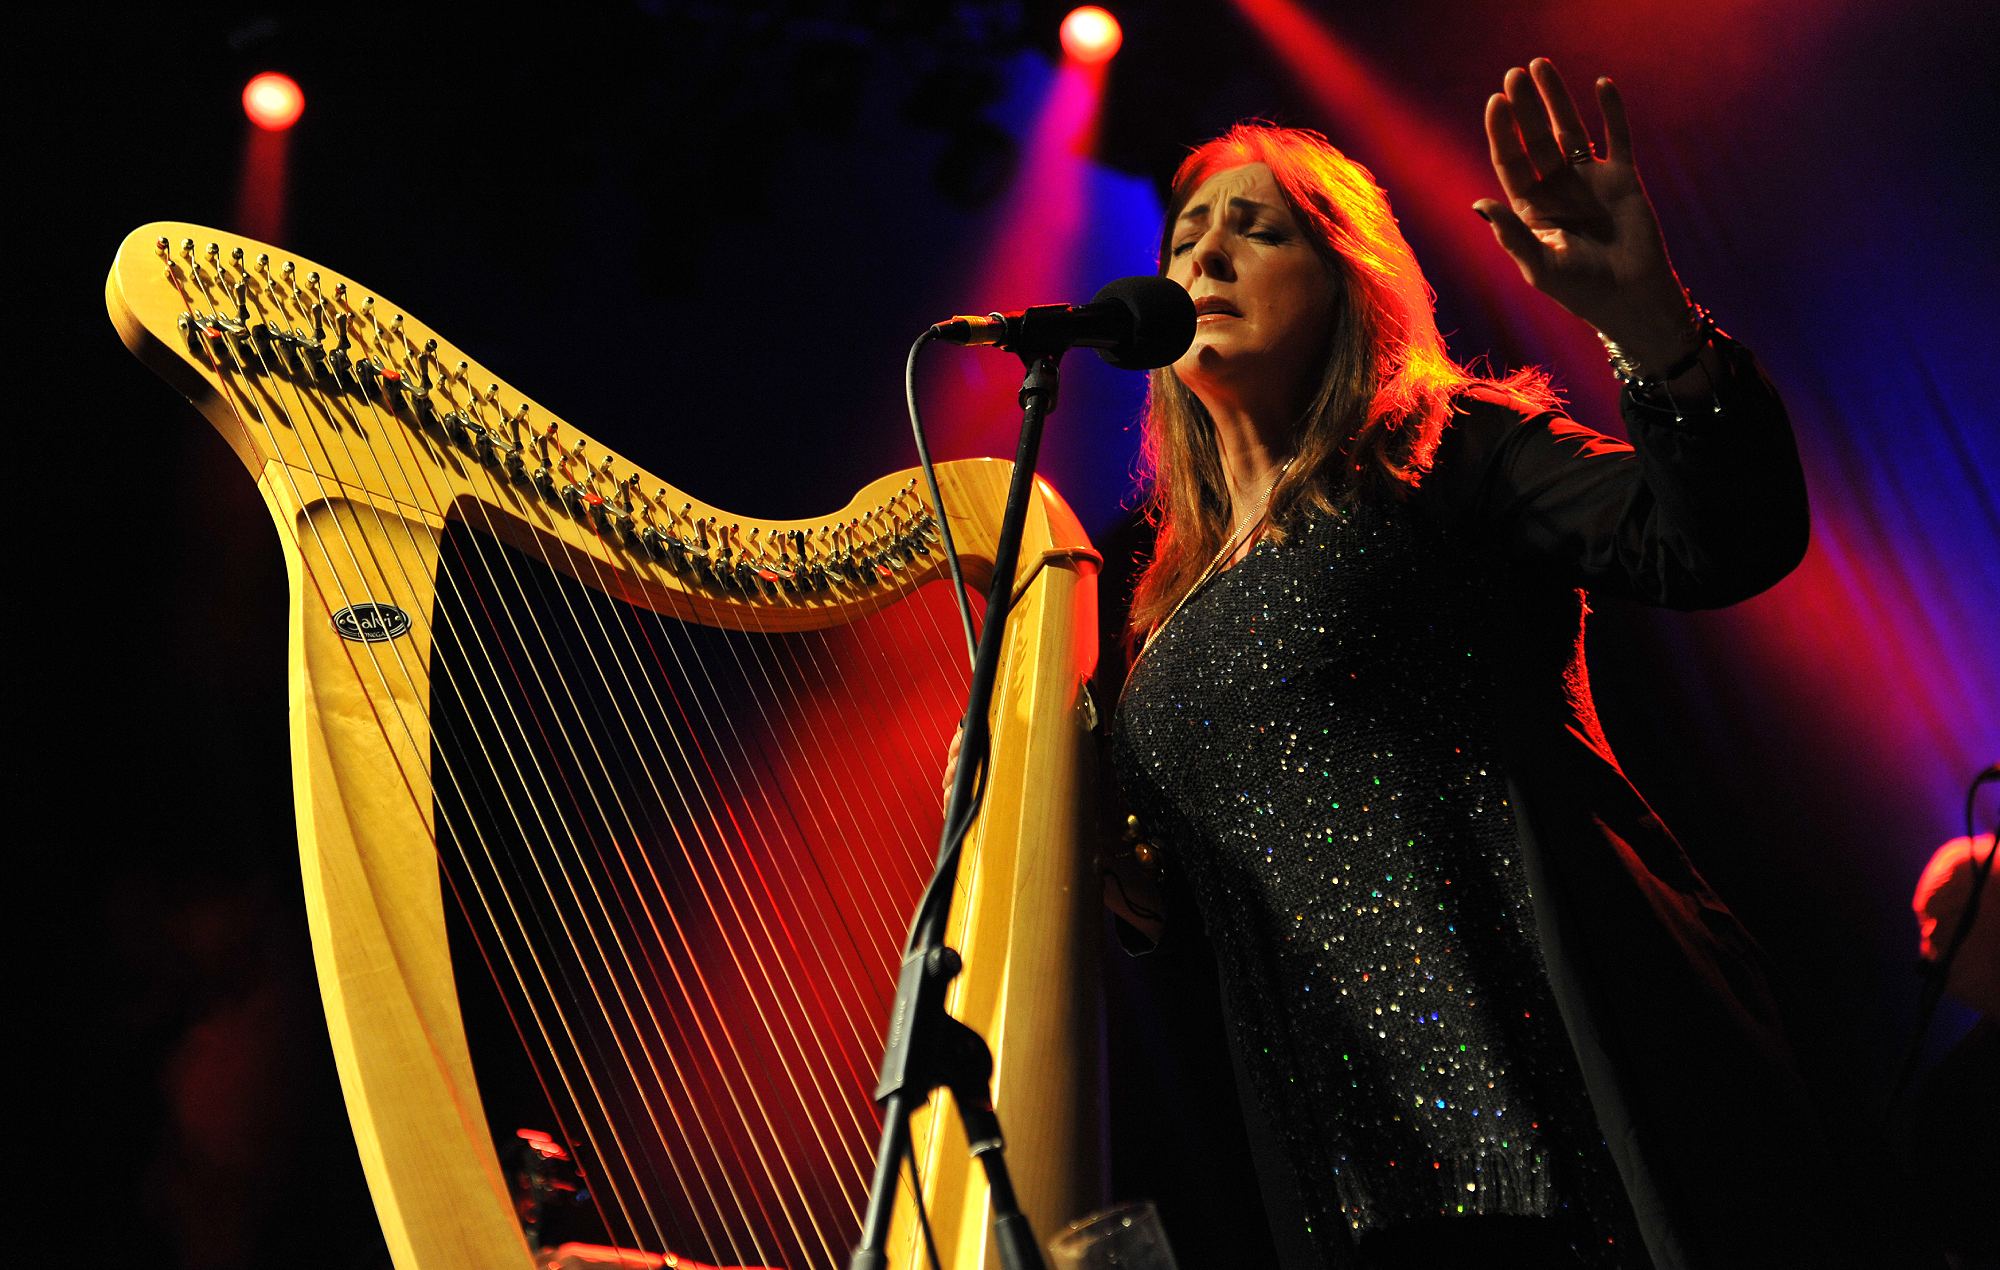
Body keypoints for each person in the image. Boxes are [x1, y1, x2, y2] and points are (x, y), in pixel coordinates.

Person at [1096, 58, 1870, 1269]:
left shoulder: (1443, 449)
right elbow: (1195, 894)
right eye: (1187, 235)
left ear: (1348, 284)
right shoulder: (1161, 614)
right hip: (1349, 1163)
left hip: (1566, 1092)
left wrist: (1645, 321)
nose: (1202, 259)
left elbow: (1717, 537)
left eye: (1256, 231)